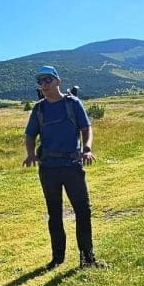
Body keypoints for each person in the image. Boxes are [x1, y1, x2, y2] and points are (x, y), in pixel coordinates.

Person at [23, 65, 105, 269]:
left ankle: (87, 258)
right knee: (54, 214)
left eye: (48, 80)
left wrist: (87, 148)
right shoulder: (39, 109)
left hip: (71, 166)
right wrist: (31, 154)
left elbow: (86, 128)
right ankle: (57, 259)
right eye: (40, 81)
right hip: (48, 168)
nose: (44, 84)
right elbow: (30, 134)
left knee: (83, 211)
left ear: (58, 81)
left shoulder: (73, 103)